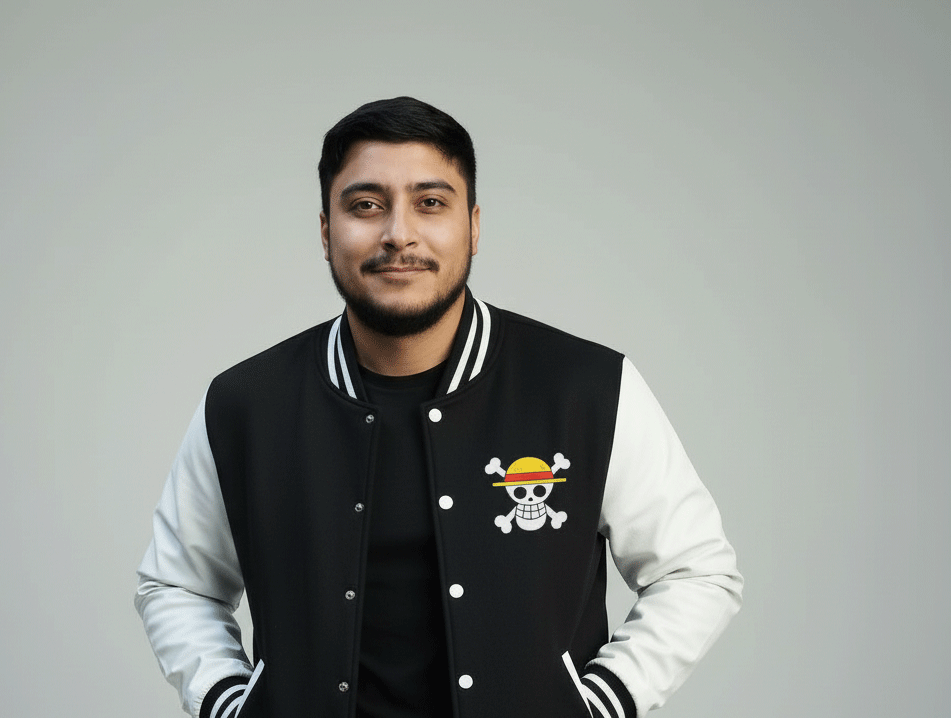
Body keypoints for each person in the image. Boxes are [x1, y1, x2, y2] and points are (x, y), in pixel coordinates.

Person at [135, 96, 743, 718]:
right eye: (366, 205)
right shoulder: (246, 404)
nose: (399, 234)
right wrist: (228, 704)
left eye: (430, 203)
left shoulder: (587, 388)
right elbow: (177, 584)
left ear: (473, 226)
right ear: (325, 231)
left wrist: (598, 705)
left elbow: (696, 570)